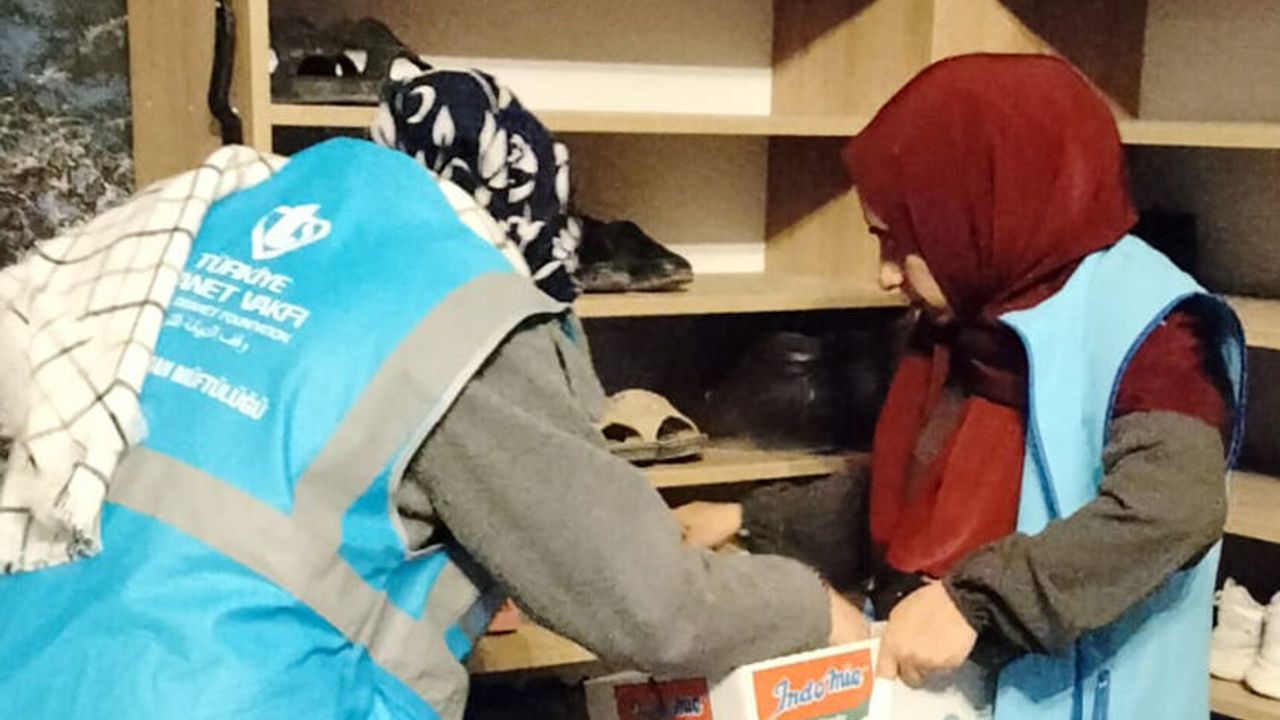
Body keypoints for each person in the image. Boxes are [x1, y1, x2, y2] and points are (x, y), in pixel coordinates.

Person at [0, 138, 866, 719]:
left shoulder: (205, 240)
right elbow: (654, 609)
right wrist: (809, 607)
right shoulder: (464, 315)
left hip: (38, 668)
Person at [677, 54, 1245, 719]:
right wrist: (752, 520)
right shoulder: (974, 316)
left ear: (974, 212)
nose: (886, 274)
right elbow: (914, 491)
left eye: (901, 241)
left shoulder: (1157, 333)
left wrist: (976, 600)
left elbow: (1169, 511)